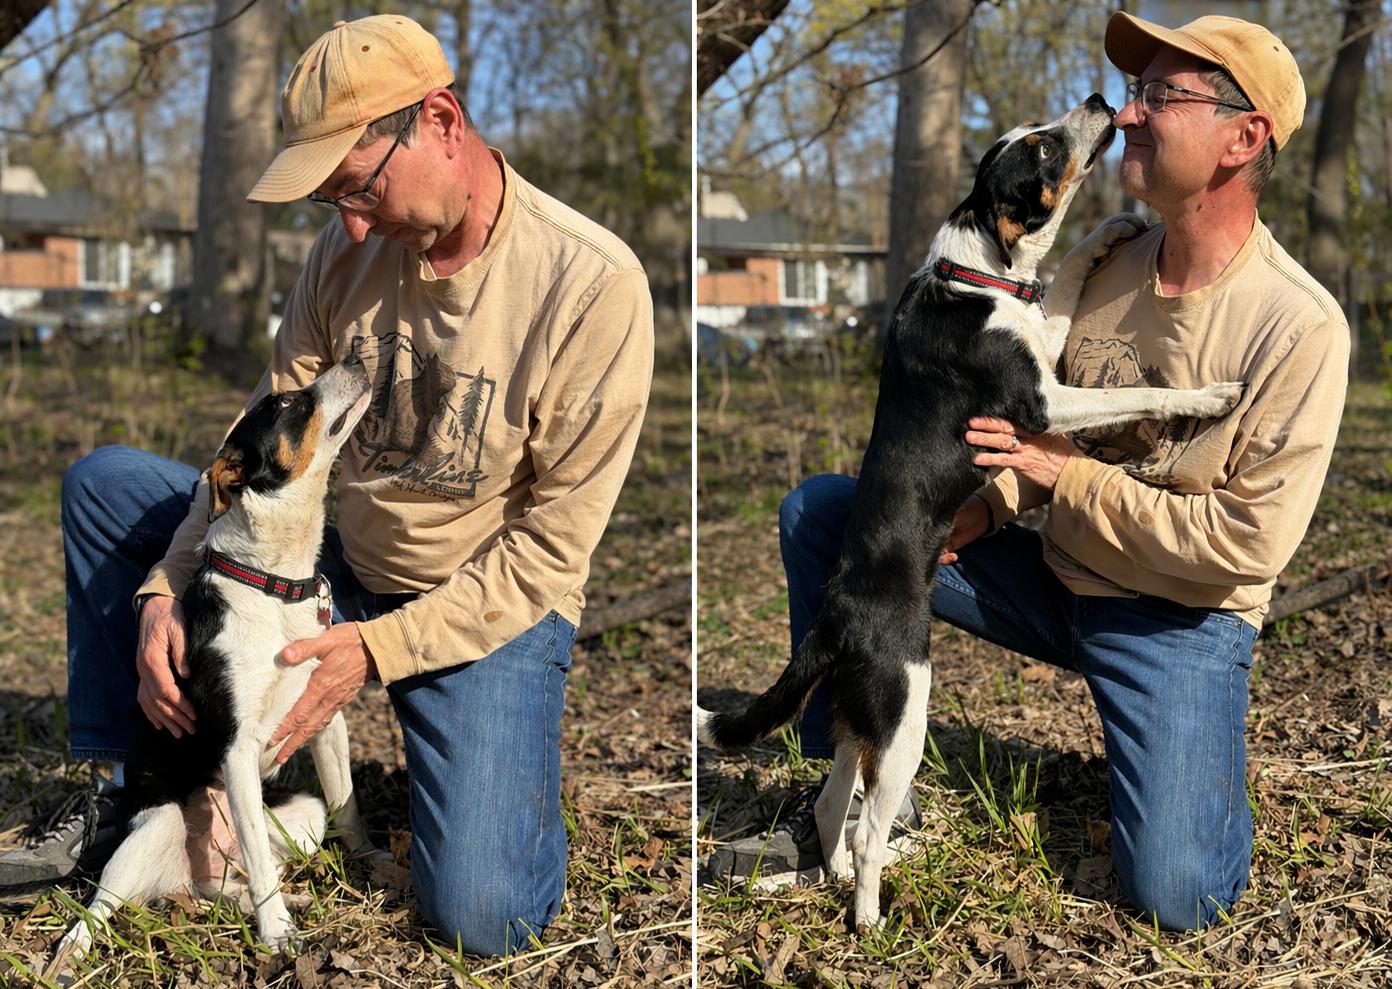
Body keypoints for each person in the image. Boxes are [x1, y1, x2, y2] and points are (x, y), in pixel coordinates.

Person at [0, 15, 653, 957]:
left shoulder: (592, 285)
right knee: (106, 485)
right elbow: (254, 439)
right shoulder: (343, 254)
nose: (349, 225)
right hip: (327, 557)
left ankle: (464, 783)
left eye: (359, 189)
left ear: (440, 120)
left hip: (480, 595)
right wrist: (160, 587)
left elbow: (550, 554)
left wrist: (372, 652)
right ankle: (118, 793)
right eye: (330, 202)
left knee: (487, 915)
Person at [708, 12, 1347, 931]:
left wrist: (1063, 481)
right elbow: (1010, 418)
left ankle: (1193, 774)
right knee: (823, 514)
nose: (1128, 116)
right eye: (1134, 93)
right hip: (1051, 577)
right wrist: (988, 506)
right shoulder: (1106, 256)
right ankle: (851, 794)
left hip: (1177, 619)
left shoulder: (1301, 326)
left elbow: (1247, 545)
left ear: (1243, 139)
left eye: (1162, 96)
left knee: (1183, 895)